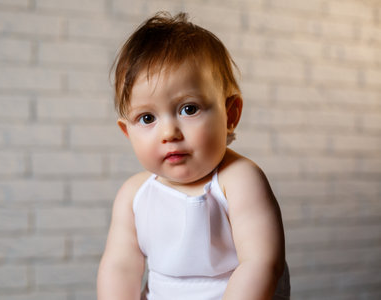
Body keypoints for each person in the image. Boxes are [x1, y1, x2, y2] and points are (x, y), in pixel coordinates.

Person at [97, 12, 290, 300]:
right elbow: (119, 268)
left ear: (231, 114)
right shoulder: (134, 195)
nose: (169, 132)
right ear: (128, 133)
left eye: (189, 109)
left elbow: (261, 264)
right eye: (147, 117)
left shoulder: (238, 180)